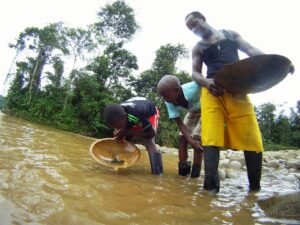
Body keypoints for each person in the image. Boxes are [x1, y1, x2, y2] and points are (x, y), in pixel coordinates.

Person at [185, 11, 265, 193]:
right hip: (212, 92)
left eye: (195, 23)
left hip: (238, 90)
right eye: (190, 28)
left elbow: (252, 52)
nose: (194, 29)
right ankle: (210, 188)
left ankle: (255, 189)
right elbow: (195, 73)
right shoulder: (198, 48)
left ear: (203, 18)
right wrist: (206, 82)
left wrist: (276, 64)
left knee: (251, 137)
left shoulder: (230, 35)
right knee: (211, 138)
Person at [157, 75, 202, 178]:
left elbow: (205, 81)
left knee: (197, 139)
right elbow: (180, 123)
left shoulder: (194, 88)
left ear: (177, 90)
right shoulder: (169, 102)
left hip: (206, 109)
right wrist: (189, 140)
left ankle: (195, 174)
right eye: (163, 96)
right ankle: (183, 172)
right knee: (182, 138)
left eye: (167, 96)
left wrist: (193, 140)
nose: (165, 99)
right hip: (192, 112)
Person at [103, 97, 163, 175]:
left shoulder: (136, 114)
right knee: (123, 138)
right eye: (115, 127)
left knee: (149, 140)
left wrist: (127, 132)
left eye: (118, 126)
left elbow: (151, 133)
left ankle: (157, 172)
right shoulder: (119, 114)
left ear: (124, 117)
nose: (117, 129)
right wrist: (123, 132)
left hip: (150, 113)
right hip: (133, 116)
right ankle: (120, 165)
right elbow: (124, 129)